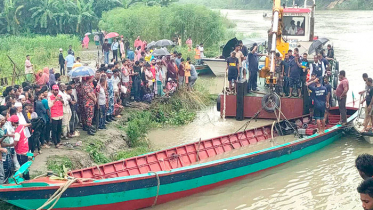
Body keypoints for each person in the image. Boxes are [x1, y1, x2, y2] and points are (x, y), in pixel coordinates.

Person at [2, 115, 30, 180]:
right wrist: (9, 135)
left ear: (13, 123)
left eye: (11, 122)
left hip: (20, 151)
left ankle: (26, 179)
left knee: (23, 166)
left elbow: (15, 143)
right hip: (25, 147)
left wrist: (6, 145)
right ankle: (26, 177)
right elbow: (17, 135)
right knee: (25, 165)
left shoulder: (17, 132)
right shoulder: (21, 126)